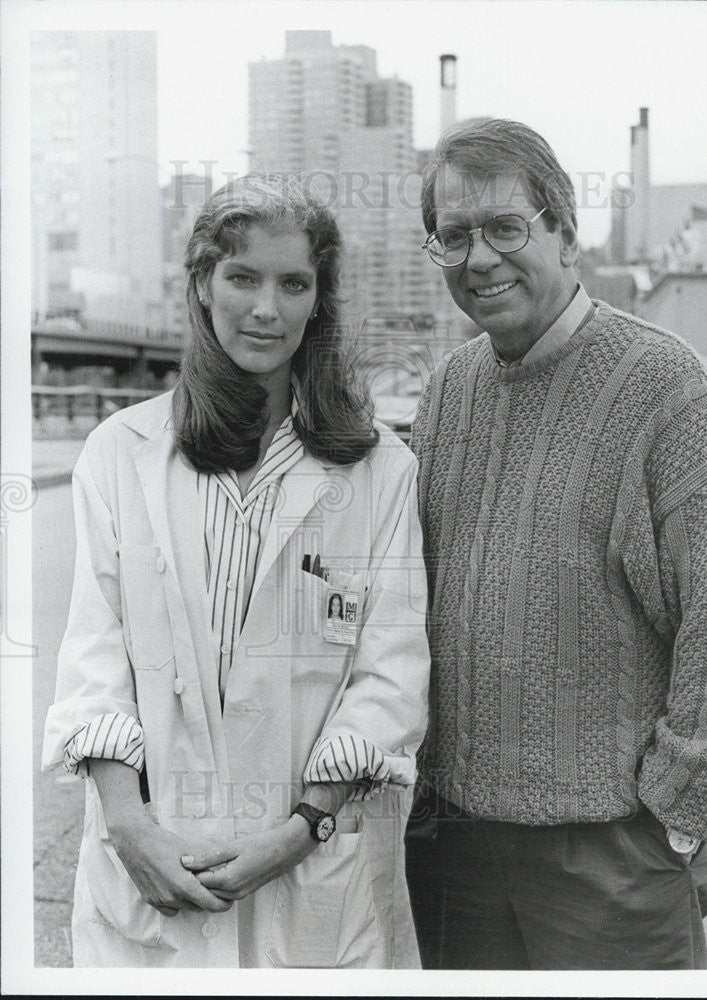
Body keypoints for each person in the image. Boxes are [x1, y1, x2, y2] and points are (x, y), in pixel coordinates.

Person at [42, 175, 430, 968]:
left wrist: (300, 832)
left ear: (318, 300)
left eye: (294, 284)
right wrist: (130, 827)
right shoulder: (121, 454)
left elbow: (389, 678)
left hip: (313, 876)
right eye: (243, 277)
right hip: (153, 867)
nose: (267, 309)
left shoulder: (378, 470)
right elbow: (95, 659)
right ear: (200, 284)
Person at [405, 118, 707, 971]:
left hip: (611, 859)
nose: (478, 258)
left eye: (504, 228)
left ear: (564, 229)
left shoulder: (668, 390)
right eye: (453, 237)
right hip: (453, 850)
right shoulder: (445, 391)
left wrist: (677, 817)